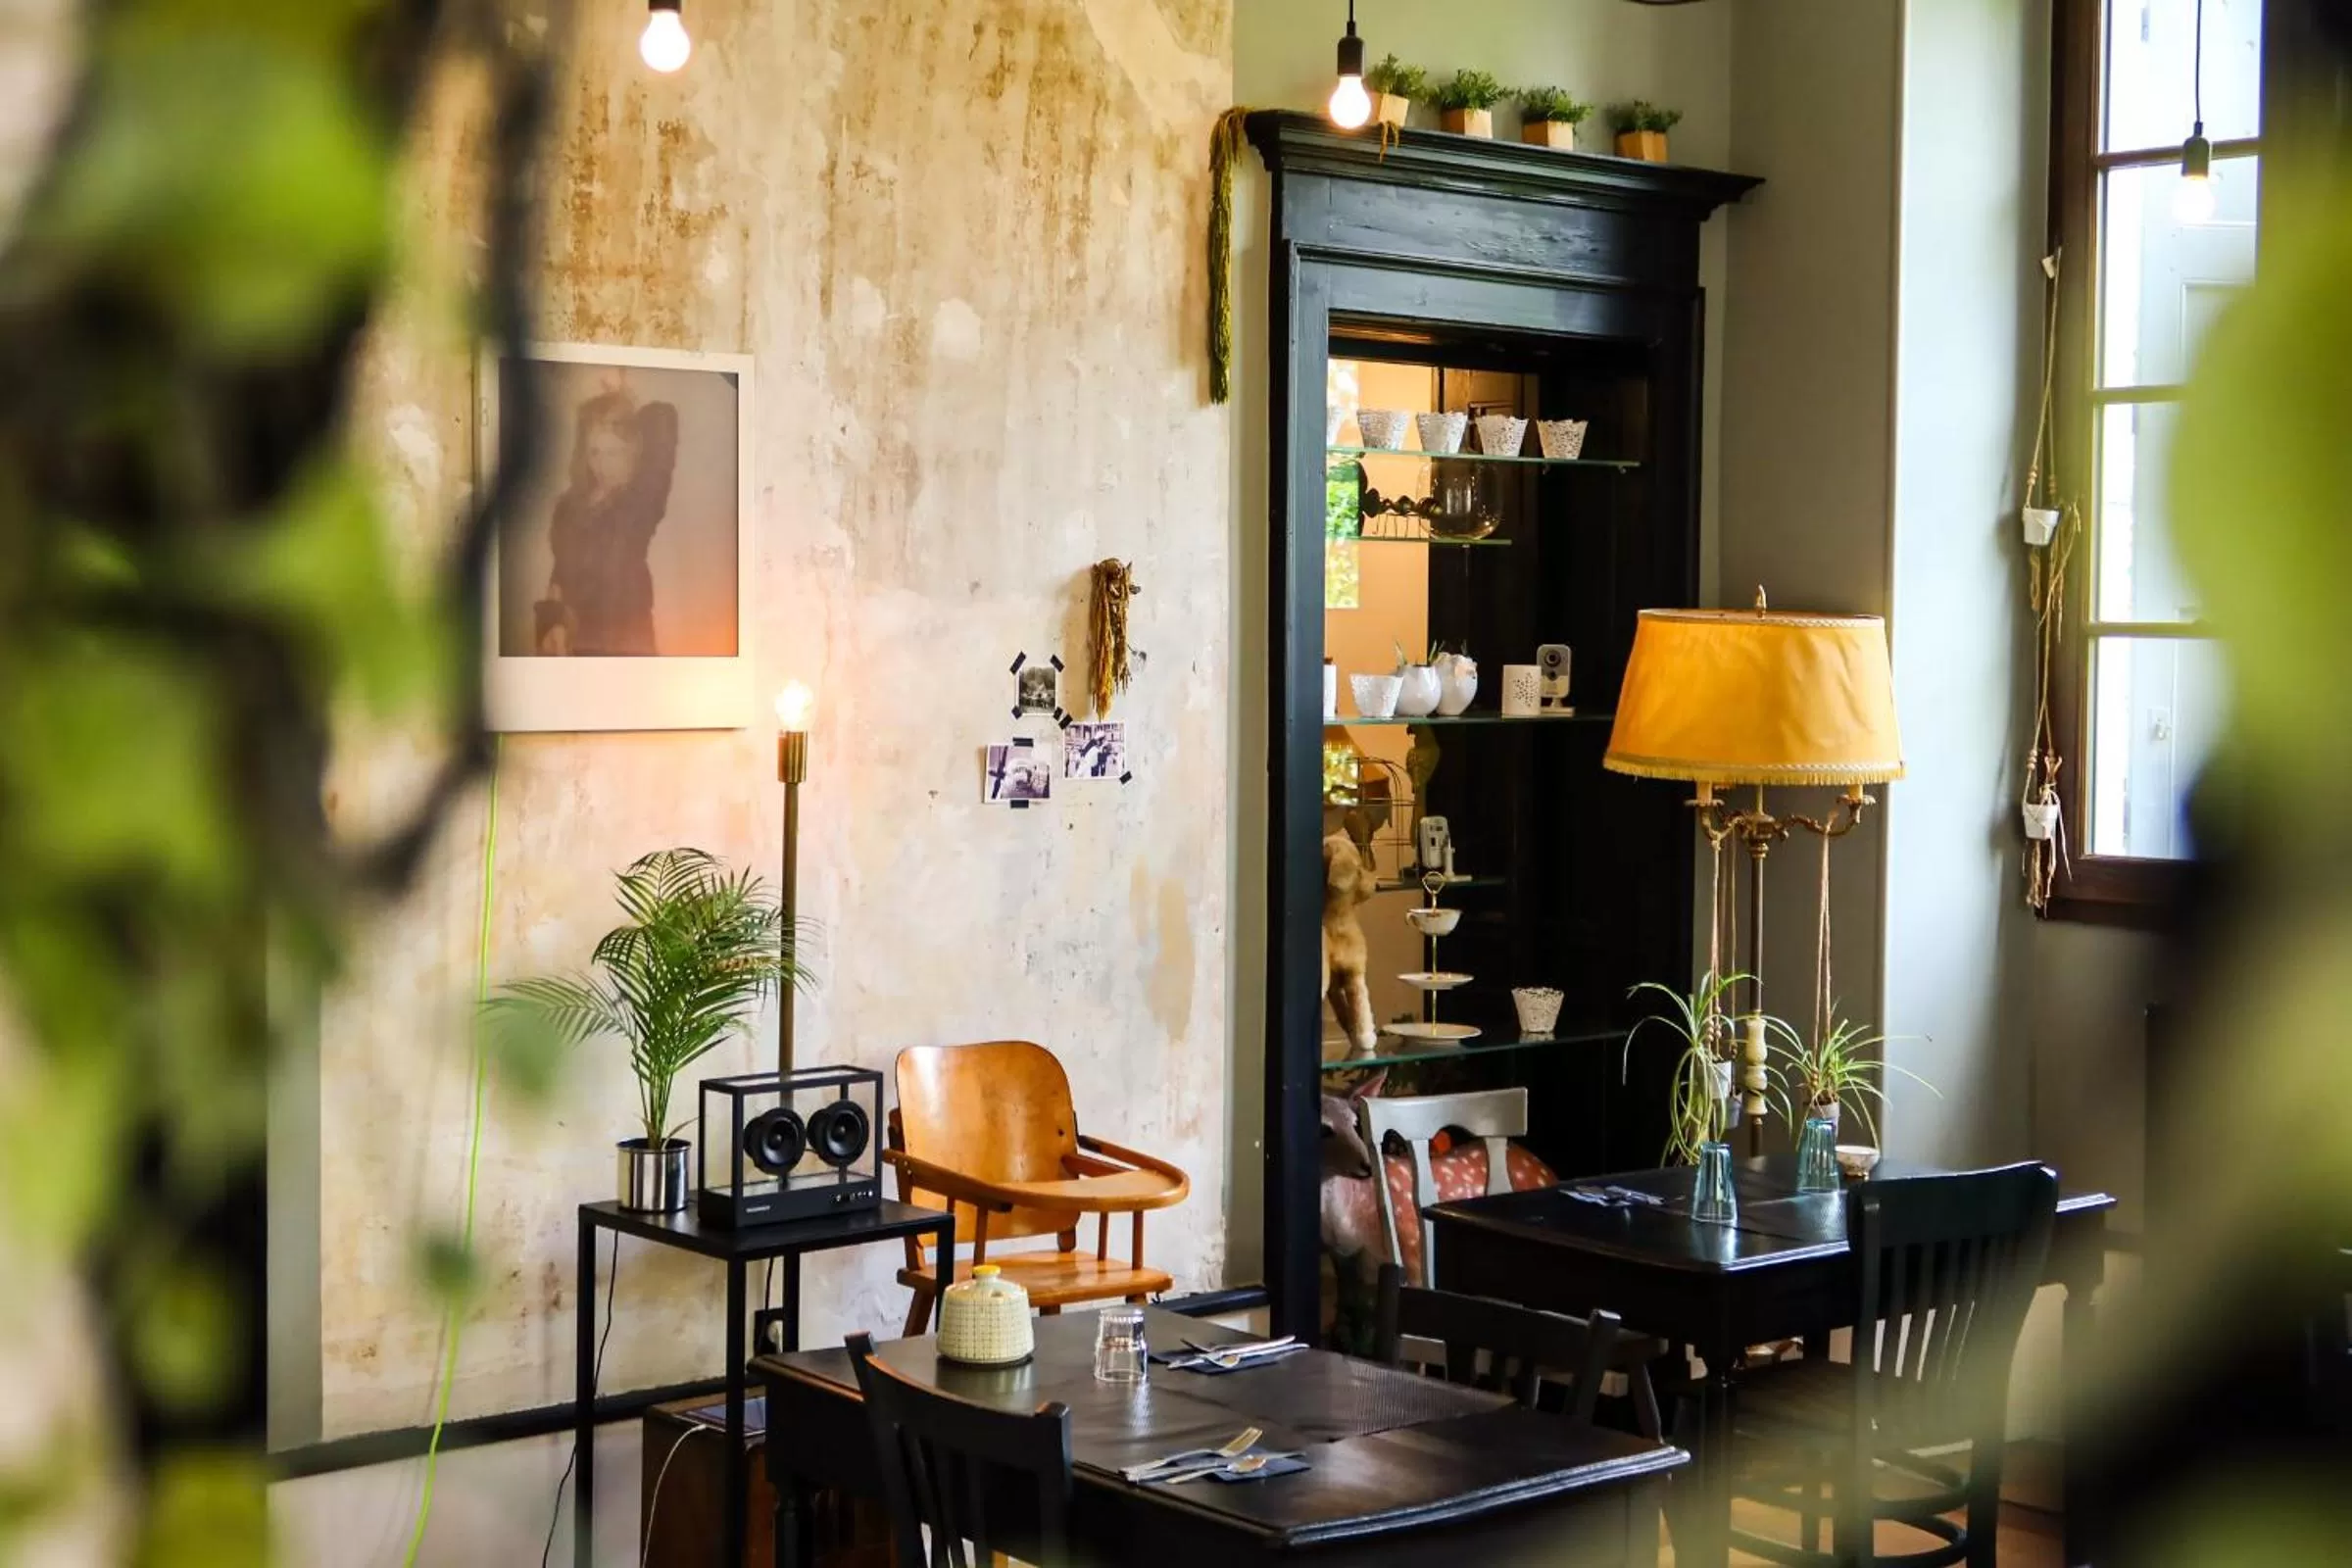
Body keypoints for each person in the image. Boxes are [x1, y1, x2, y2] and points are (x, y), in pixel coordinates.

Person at [536, 384, 679, 656]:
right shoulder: (568, 506)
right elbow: (559, 574)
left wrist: (622, 397)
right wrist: (552, 625)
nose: (600, 465)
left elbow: (663, 417)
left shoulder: (641, 502)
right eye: (594, 452)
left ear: (634, 452)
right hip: (575, 645)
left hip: (628, 646)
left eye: (613, 452)